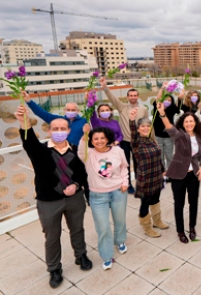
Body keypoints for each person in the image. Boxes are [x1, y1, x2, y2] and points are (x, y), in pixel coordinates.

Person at [15, 105, 92, 288]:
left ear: (68, 130)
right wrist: (23, 122)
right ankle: (54, 268)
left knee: (77, 229)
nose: (59, 132)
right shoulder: (40, 151)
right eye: (55, 129)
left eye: (62, 128)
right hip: (48, 202)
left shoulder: (75, 150)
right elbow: (29, 141)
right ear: (49, 130)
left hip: (74, 199)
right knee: (52, 237)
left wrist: (76, 185)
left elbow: (82, 174)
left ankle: (80, 255)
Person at [79, 124, 129, 270]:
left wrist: (125, 182)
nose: (99, 141)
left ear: (108, 139)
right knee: (103, 226)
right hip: (97, 195)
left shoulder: (118, 151)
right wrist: (85, 134)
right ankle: (107, 255)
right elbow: (81, 149)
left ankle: (120, 240)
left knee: (120, 219)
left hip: (118, 191)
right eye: (95, 139)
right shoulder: (88, 153)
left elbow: (124, 167)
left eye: (102, 138)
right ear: (91, 141)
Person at [157, 103, 201, 243]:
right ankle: (180, 231)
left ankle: (192, 227)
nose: (189, 123)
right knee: (179, 204)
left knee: (194, 202)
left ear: (195, 122)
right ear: (183, 124)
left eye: (191, 121)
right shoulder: (179, 135)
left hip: (194, 175)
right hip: (178, 174)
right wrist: (162, 114)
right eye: (186, 121)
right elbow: (169, 127)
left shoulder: (198, 136)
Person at [101, 77, 148, 194]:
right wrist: (105, 88)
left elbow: (147, 125)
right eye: (130, 95)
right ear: (128, 97)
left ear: (138, 96)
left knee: (139, 164)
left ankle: (140, 184)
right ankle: (129, 184)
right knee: (125, 164)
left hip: (139, 142)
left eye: (135, 95)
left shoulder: (143, 109)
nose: (133, 97)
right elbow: (112, 99)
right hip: (125, 142)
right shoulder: (122, 107)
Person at [129, 108, 168, 238]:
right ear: (138, 129)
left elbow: (158, 157)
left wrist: (163, 170)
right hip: (145, 179)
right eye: (142, 127)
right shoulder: (136, 143)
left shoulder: (152, 141)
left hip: (156, 177)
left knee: (156, 200)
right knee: (145, 203)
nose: (145, 128)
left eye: (148, 126)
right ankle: (147, 227)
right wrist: (132, 120)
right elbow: (133, 134)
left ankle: (157, 221)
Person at [23, 91, 87, 146]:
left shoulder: (84, 121)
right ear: (64, 110)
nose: (70, 112)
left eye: (73, 110)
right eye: (68, 110)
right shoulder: (58, 120)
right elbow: (41, 113)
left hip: (79, 153)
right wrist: (29, 101)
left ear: (78, 110)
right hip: (61, 153)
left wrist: (89, 101)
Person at [152, 85, 180, 171]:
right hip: (157, 136)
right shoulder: (158, 107)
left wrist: (181, 94)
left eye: (169, 100)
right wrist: (162, 88)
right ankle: (162, 172)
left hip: (168, 137)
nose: (167, 101)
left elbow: (179, 104)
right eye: (166, 100)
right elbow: (158, 98)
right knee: (160, 156)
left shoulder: (172, 109)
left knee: (169, 156)